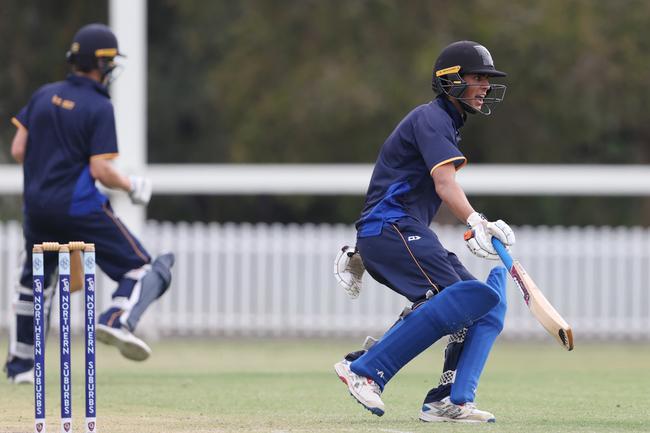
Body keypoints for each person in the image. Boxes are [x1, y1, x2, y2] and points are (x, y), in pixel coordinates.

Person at [333, 40, 516, 423]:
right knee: (457, 298)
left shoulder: (447, 123)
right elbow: (445, 184)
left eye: (487, 79)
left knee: (484, 305)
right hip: (389, 227)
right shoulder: (431, 119)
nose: (485, 86)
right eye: (477, 77)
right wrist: (475, 221)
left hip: (401, 230)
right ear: (451, 81)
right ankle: (364, 369)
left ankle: (447, 399)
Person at [5, 23, 174, 384]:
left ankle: (22, 366)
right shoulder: (98, 105)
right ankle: (115, 319)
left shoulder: (44, 95)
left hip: (37, 207)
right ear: (101, 64)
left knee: (36, 281)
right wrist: (131, 185)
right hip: (79, 207)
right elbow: (100, 168)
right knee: (144, 270)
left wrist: (47, 170)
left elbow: (19, 149)